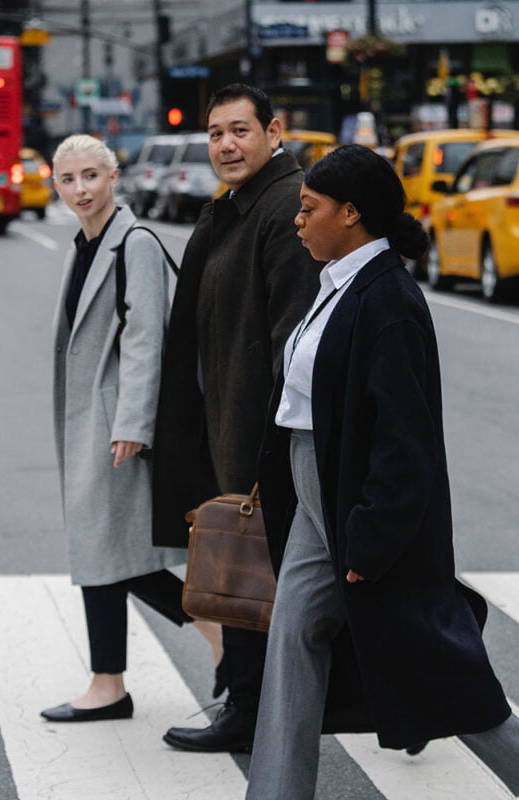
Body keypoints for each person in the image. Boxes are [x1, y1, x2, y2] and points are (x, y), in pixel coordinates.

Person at [246, 144, 519, 800]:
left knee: (425, 649)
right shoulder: (338, 286)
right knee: (295, 635)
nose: (299, 220)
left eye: (309, 209)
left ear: (350, 214)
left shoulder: (390, 301)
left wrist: (374, 533)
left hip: (357, 498)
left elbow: (406, 440)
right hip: (314, 480)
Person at [150, 84, 321, 752]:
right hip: (229, 424)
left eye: (240, 130)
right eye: (216, 132)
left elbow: (291, 335)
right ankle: (248, 701)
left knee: (256, 579)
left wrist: (268, 446)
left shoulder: (285, 207)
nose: (226, 144)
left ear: (273, 132)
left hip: (262, 435)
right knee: (254, 575)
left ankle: (248, 711)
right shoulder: (231, 207)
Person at [41, 134, 222, 723]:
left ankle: (112, 680)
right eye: (68, 180)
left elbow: (147, 335)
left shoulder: (133, 243)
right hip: (90, 416)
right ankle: (189, 643)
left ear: (114, 178)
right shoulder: (83, 244)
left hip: (116, 422)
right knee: (115, 550)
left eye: (91, 176)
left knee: (104, 547)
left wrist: (134, 423)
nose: (81, 190)